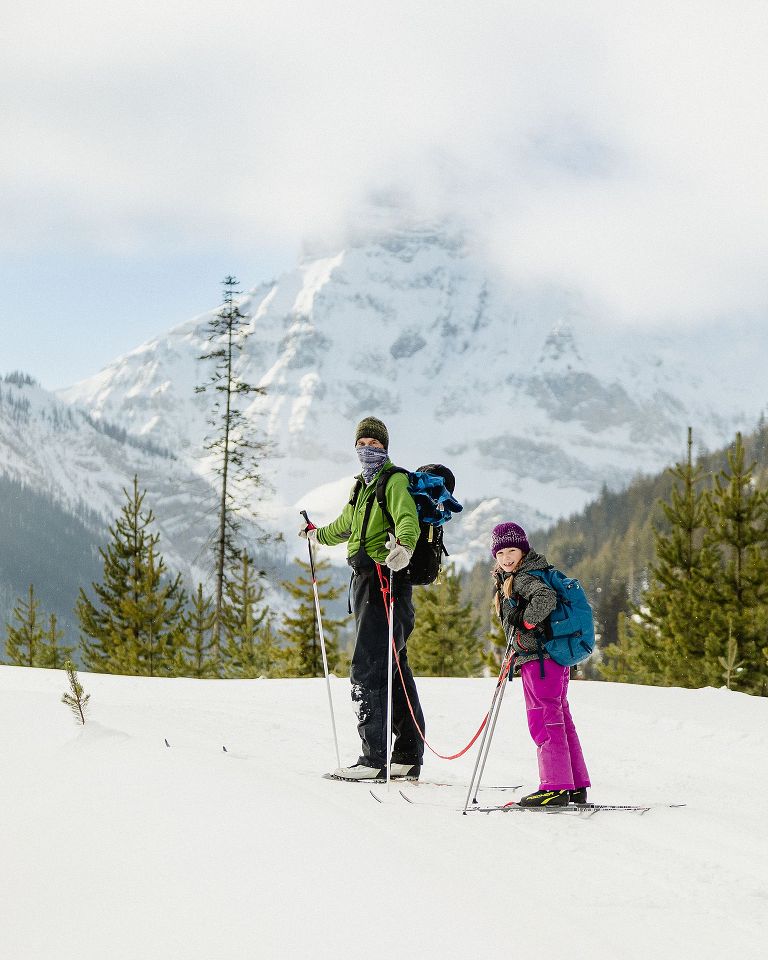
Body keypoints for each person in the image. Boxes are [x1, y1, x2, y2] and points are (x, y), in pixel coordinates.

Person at [299, 416, 426, 781]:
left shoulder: (394, 480)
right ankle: (406, 755)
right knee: (394, 666)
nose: (367, 449)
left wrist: (403, 547)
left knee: (369, 666)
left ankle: (373, 760)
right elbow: (345, 526)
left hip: (386, 580)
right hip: (368, 581)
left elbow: (407, 520)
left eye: (375, 444)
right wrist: (316, 535)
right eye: (363, 443)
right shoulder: (361, 487)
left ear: (385, 448)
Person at [491, 521, 591, 807]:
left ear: (523, 550)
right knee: (560, 718)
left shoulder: (524, 577)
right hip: (553, 658)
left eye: (512, 550)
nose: (507, 557)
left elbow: (544, 598)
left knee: (543, 719)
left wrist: (525, 620)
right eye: (501, 553)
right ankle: (574, 784)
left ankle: (555, 786)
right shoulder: (532, 571)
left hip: (540, 659)